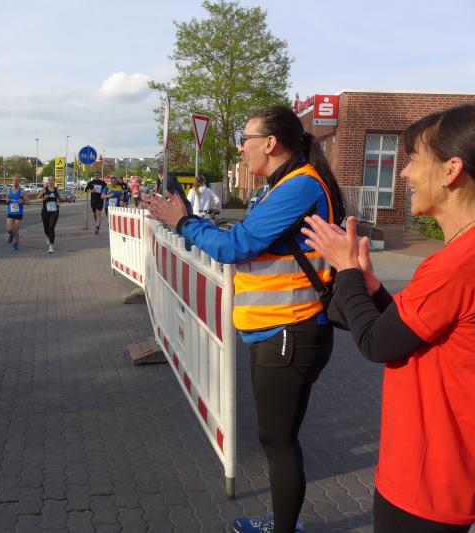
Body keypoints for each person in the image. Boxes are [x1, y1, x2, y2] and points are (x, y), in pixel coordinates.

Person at [301, 104, 475, 533]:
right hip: (464, 465)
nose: (404, 173)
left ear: (451, 170)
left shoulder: (460, 262)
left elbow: (377, 343)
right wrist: (371, 287)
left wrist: (348, 271)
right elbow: (413, 329)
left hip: (426, 478)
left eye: (413, 159)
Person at [145, 105, 346, 533]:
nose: (241, 148)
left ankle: (284, 528)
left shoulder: (299, 185)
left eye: (246, 139)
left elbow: (236, 247)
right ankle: (284, 522)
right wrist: (189, 222)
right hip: (278, 331)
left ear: (270, 144)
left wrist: (183, 222)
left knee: (278, 441)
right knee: (277, 439)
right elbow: (248, 240)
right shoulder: (285, 185)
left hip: (290, 331)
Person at [6, 175, 28, 250]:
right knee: (9, 229)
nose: (15, 182)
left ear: (19, 182)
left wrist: (22, 201)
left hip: (18, 213)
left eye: (17, 180)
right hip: (11, 212)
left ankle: (15, 243)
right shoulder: (9, 190)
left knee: (16, 229)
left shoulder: (22, 191)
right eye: (14, 180)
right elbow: (7, 201)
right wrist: (7, 201)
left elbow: (28, 202)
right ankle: (11, 235)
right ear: (12, 181)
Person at [38, 176, 60, 253]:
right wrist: (43, 198)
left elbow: (60, 199)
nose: (50, 182)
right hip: (45, 211)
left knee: (51, 227)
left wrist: (64, 200)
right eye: (49, 180)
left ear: (54, 181)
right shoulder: (44, 189)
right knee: (46, 228)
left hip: (54, 210)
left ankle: (51, 246)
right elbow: (37, 198)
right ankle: (51, 237)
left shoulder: (56, 190)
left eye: (52, 180)